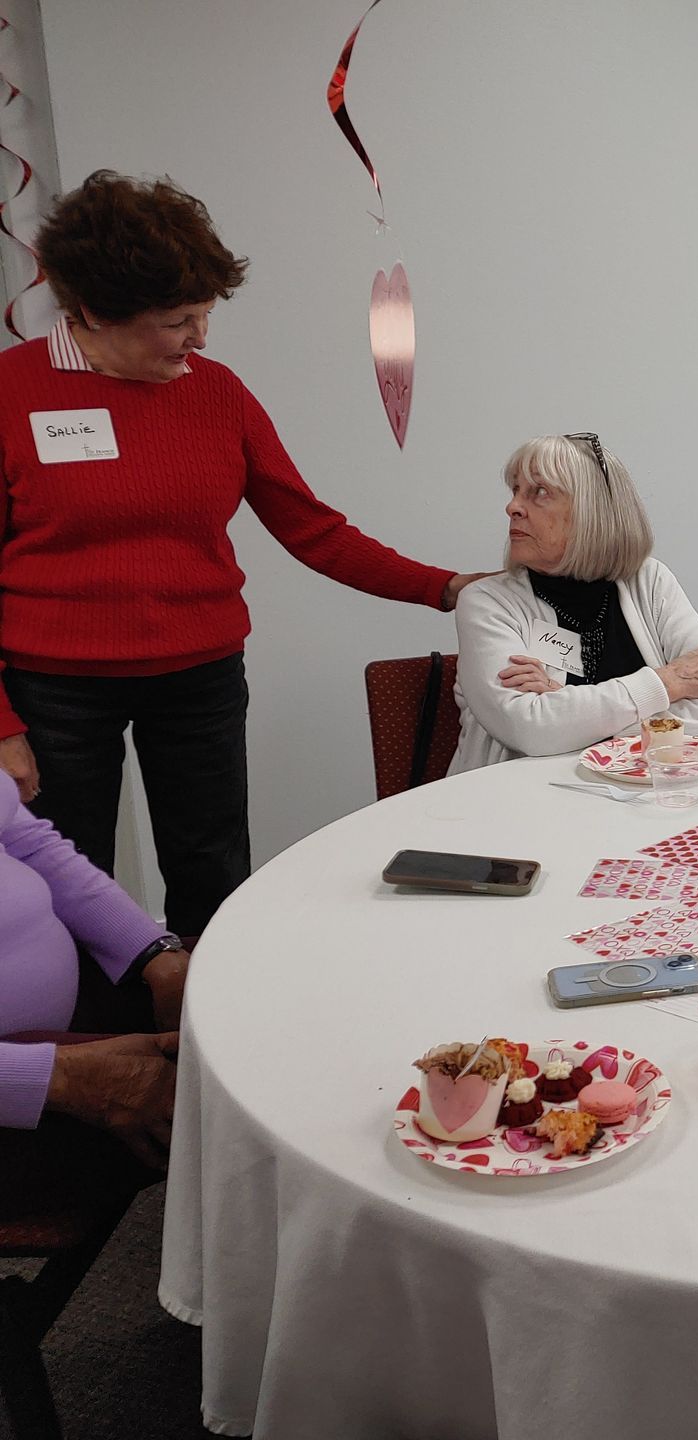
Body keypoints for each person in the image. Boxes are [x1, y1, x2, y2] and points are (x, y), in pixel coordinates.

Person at [0, 171, 485, 938]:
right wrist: (1, 723)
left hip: (200, 676)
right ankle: (103, 1050)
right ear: (94, 310)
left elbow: (312, 528)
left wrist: (450, 587)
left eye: (204, 315)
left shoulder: (217, 392)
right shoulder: (11, 393)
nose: (201, 338)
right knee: (66, 879)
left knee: (214, 870)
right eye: (177, 321)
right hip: (54, 693)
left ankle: (203, 1033)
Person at [450, 432, 698, 771]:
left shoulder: (650, 580)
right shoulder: (485, 603)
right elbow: (528, 729)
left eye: (539, 492)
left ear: (592, 511)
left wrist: (565, 710)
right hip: (518, 802)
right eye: (515, 490)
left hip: (643, 797)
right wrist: (669, 683)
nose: (512, 506)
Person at [1, 776, 185, 1204]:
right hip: (23, 1096)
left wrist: (154, 954)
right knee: (243, 1099)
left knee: (257, 995)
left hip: (57, 1039)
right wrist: (59, 1078)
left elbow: (28, 843)